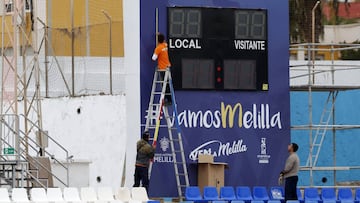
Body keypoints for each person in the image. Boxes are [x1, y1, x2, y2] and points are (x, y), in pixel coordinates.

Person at [152, 33, 172, 105]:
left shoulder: (158, 48)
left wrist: (156, 51)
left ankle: (168, 100)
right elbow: (163, 41)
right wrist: (160, 35)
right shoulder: (165, 45)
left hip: (163, 69)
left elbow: (153, 58)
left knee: (164, 85)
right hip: (168, 67)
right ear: (163, 40)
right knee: (167, 85)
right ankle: (169, 99)